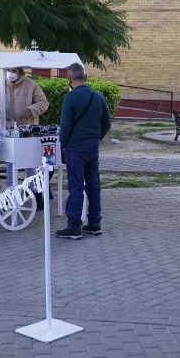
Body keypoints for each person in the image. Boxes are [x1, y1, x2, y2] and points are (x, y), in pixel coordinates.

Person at [55, 62, 111, 240]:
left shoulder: (70, 98)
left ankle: (74, 227)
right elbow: (107, 123)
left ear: (69, 79)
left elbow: (65, 125)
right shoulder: (98, 97)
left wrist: (63, 143)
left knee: (76, 186)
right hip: (93, 147)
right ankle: (94, 223)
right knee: (93, 185)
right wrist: (96, 137)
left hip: (75, 148)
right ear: (85, 77)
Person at [0, 66, 50, 208]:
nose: (11, 74)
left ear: (21, 72)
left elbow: (43, 103)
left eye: (14, 71)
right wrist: (0, 112)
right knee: (10, 165)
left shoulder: (31, 85)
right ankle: (13, 193)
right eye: (8, 71)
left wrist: (31, 111)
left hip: (27, 132)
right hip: (6, 133)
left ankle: (37, 195)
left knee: (31, 165)